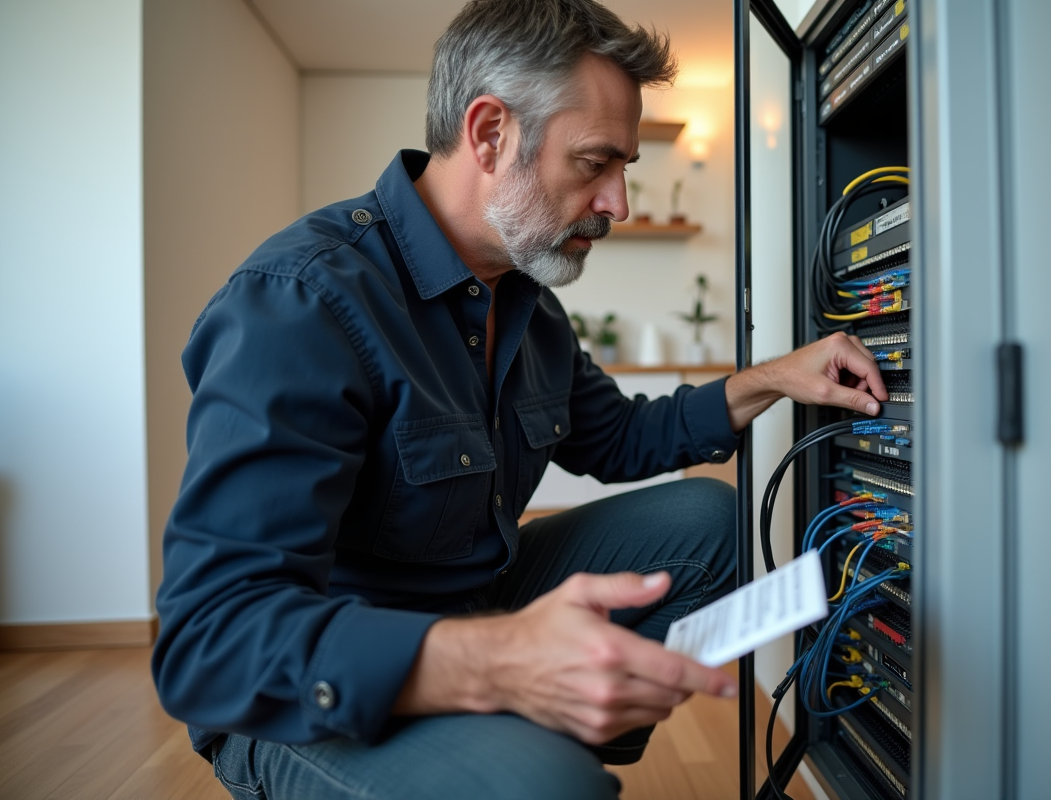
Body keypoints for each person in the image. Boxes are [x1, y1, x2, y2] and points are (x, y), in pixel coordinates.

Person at [151, 1, 888, 798]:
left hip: (477, 603)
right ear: (490, 133)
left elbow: (621, 441)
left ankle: (505, 738)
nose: (618, 204)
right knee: (549, 788)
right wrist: (499, 661)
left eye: (625, 170)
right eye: (595, 163)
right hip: (313, 692)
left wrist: (774, 377)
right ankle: (508, 751)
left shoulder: (529, 303)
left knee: (708, 525)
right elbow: (209, 643)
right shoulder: (305, 300)